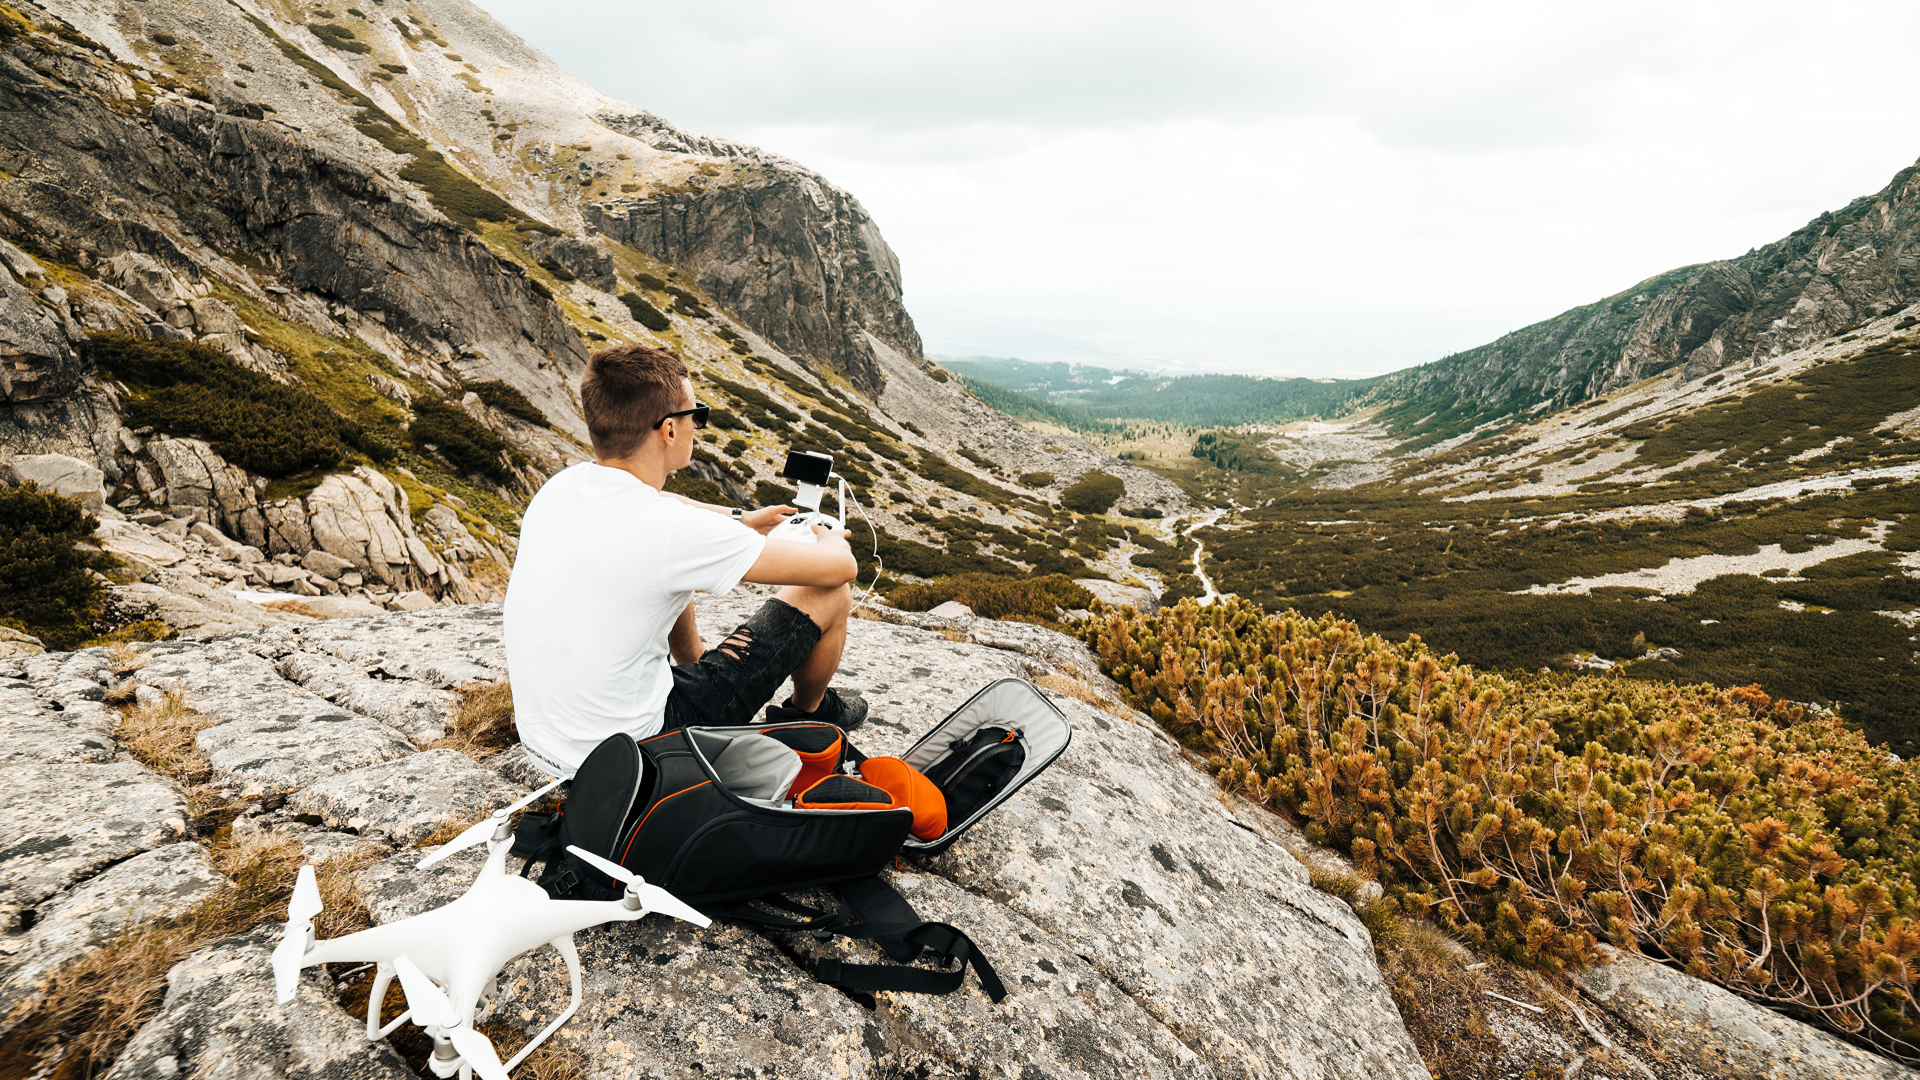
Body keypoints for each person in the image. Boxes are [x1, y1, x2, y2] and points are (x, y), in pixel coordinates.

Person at [504, 344, 866, 779]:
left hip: (550, 745)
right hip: (643, 753)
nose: (698, 424)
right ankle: (809, 713)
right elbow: (841, 570)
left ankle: (695, 664)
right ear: (669, 431)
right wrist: (830, 539)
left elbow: (665, 504)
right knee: (829, 593)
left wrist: (743, 519)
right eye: (697, 415)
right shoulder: (670, 530)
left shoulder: (562, 487)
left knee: (670, 576)